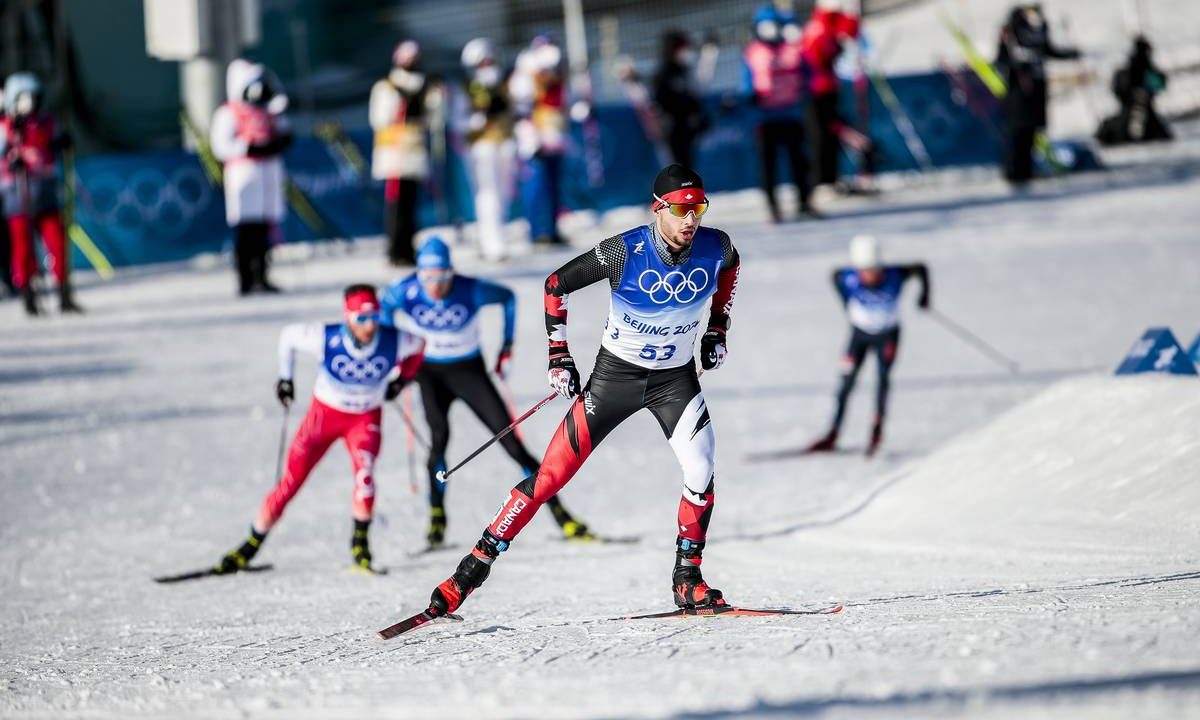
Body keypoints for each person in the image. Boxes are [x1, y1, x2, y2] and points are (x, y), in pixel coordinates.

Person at [413, 163, 741, 619]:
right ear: (659, 208)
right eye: (683, 209)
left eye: (698, 208)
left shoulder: (717, 245)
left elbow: (730, 268)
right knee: (548, 478)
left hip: (674, 380)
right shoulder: (623, 252)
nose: (692, 219)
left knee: (701, 468)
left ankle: (687, 580)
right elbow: (555, 285)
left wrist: (717, 330)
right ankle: (467, 573)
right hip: (614, 379)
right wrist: (559, 356)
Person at [379, 237, 595, 548]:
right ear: (419, 274)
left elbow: (507, 297)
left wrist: (506, 347)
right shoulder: (406, 289)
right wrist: (397, 353)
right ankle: (436, 519)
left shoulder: (470, 288)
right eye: (428, 277)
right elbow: (385, 307)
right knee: (438, 439)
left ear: (450, 272)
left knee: (511, 443)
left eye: (441, 277)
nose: (435, 286)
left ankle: (561, 515)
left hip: (468, 371)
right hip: (429, 374)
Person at [215, 285, 424, 575]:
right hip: (323, 417)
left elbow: (419, 346)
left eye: (375, 317)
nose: (370, 325)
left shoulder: (395, 338)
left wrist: (402, 380)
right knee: (290, 483)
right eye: (361, 319)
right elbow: (288, 336)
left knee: (365, 477)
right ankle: (250, 545)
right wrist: (285, 379)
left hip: (364, 420)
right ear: (347, 317)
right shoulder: (326, 336)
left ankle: (360, 547)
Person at [807, 235, 929, 457]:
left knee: (882, 379)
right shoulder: (848, 277)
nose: (870, 275)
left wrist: (924, 297)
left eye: (874, 269)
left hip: (888, 335)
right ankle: (833, 432)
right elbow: (834, 276)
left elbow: (921, 268)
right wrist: (847, 304)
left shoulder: (896, 274)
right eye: (865, 270)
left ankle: (876, 431)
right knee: (846, 382)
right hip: (859, 335)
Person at [210, 58, 293, 295]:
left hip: (268, 176)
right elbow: (221, 145)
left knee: (265, 230)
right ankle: (246, 278)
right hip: (245, 177)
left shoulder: (266, 110)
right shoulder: (229, 113)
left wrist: (280, 138)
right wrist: (249, 148)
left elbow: (283, 130)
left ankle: (263, 275)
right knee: (248, 233)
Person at [0, 72, 81, 315]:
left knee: (57, 242)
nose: (31, 104)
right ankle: (28, 294)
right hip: (18, 197)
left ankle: (64, 292)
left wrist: (61, 144)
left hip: (45, 194)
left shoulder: (45, 123)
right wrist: (10, 163)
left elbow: (52, 145)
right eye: (26, 99)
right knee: (23, 248)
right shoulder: (6, 127)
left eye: (34, 98)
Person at [742, 3, 817, 222]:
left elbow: (809, 75)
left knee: (800, 163)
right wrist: (749, 95)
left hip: (791, 115)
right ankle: (773, 208)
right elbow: (746, 83)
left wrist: (806, 90)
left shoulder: (793, 49)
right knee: (768, 166)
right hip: (766, 119)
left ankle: (805, 202)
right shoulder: (753, 53)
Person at [994, 4, 1079, 184]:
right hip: (1018, 91)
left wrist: (1070, 54)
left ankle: (1026, 170)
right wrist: (1018, 69)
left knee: (1031, 131)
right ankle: (1013, 171)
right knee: (1017, 132)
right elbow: (1001, 61)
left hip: (1036, 88)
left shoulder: (1040, 31)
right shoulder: (1011, 32)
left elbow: (1047, 51)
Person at [370, 40, 432, 266]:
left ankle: (408, 248)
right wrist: (401, 103)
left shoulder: (424, 87)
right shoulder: (386, 87)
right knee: (396, 206)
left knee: (411, 205)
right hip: (394, 157)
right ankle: (395, 250)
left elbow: (432, 118)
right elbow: (379, 120)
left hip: (414, 156)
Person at [801, 0, 872, 189]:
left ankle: (831, 179)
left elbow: (850, 30)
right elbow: (816, 55)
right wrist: (837, 47)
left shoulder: (831, 20)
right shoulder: (818, 25)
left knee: (831, 136)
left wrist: (854, 10)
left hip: (830, 87)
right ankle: (821, 181)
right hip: (815, 90)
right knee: (820, 136)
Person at [459, 38, 516, 262]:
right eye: (481, 62)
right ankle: (492, 242)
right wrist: (480, 119)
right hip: (481, 147)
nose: (487, 65)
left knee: (503, 195)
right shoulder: (467, 89)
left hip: (503, 144)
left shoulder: (503, 85)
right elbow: (459, 121)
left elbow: (514, 110)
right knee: (487, 194)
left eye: (489, 60)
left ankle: (495, 237)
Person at [509, 34, 569, 246]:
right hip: (536, 142)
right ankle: (537, 232)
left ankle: (552, 230)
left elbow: (562, 106)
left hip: (555, 139)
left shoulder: (558, 77)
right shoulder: (526, 77)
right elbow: (523, 113)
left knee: (554, 187)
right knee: (536, 188)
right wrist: (531, 141)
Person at [1096, 36, 1172, 146]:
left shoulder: (1143, 71)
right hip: (1132, 114)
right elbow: (1160, 85)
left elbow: (1160, 85)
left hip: (1140, 114)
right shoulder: (1139, 71)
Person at [653, 30, 710, 170]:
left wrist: (696, 116)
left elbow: (693, 97)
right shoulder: (663, 75)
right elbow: (660, 103)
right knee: (677, 171)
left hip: (687, 132)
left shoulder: (684, 71)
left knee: (689, 169)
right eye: (683, 49)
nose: (687, 52)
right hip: (673, 133)